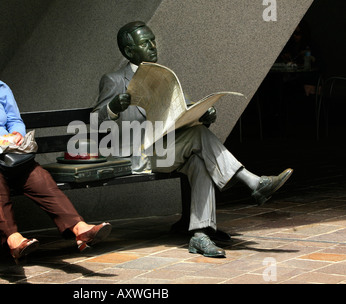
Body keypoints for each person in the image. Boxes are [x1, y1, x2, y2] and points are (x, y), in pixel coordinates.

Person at [92, 21, 293, 258]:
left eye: (153, 40)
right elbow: (95, 120)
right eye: (145, 43)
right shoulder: (115, 80)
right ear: (129, 51)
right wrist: (114, 107)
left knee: (200, 161)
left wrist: (204, 115)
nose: (153, 46)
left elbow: (186, 110)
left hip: (169, 150)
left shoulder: (163, 76)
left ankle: (200, 235)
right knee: (199, 142)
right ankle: (252, 182)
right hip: (138, 154)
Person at [0, 40, 111, 263]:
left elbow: (15, 120)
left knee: (38, 175)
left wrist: (16, 134)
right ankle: (14, 240)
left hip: (2, 156)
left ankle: (80, 229)